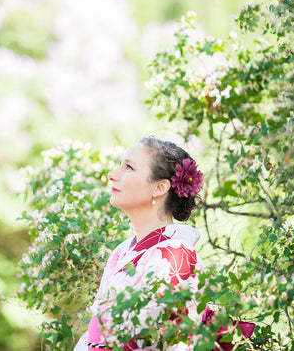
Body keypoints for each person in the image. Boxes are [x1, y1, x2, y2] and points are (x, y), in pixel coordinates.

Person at [74, 136, 206, 351]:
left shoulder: (177, 256)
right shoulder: (122, 251)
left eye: (129, 167)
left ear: (160, 187)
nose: (112, 175)